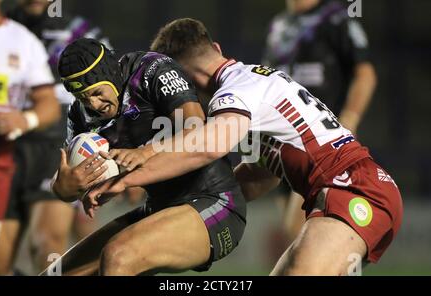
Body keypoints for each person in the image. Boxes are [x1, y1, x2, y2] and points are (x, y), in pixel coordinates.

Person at [88, 18, 402, 275]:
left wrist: (139, 165)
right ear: (216, 49)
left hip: (354, 190)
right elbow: (259, 176)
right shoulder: (253, 84)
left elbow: (209, 146)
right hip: (356, 187)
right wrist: (187, 212)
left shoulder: (236, 92)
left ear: (179, 80)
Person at [41, 38, 246, 276]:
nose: (94, 104)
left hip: (214, 201)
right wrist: (64, 188)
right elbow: (66, 184)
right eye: (84, 97)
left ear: (110, 74)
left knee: (118, 257)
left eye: (97, 92)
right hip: (158, 209)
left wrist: (146, 152)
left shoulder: (151, 70)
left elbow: (197, 129)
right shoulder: (79, 114)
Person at [0, 0, 112, 274]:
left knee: (48, 241)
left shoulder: (78, 32)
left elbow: (113, 91)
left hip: (54, 147)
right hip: (1, 149)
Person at [262, 0, 377, 248]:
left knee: (301, 231)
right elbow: (268, 82)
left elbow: (365, 74)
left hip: (320, 141)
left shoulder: (337, 19)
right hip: (282, 141)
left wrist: (351, 117)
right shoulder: (279, 24)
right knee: (296, 235)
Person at [0, 0, 60, 275]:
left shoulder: (22, 41)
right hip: (6, 161)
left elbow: (48, 104)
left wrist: (25, 119)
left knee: (0, 262)